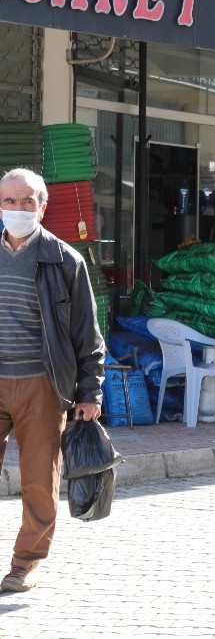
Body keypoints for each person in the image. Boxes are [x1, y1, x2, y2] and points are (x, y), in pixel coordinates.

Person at [0, 168, 105, 593]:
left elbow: (88, 334)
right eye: (10, 201)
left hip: (42, 386)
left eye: (28, 202)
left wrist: (90, 391)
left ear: (44, 207)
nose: (19, 209)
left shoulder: (65, 261)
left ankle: (25, 564)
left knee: (39, 481)